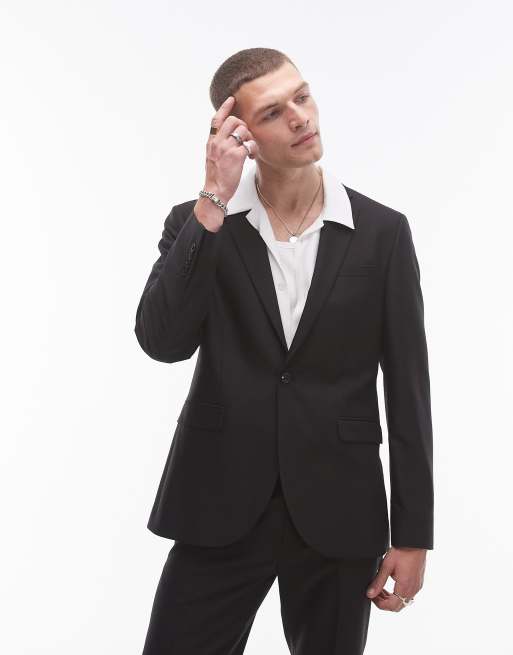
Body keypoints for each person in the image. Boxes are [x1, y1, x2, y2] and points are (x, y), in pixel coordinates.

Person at [134, 47, 434, 655]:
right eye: (273, 112)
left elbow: (409, 391)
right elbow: (162, 342)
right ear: (236, 134)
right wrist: (213, 198)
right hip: (219, 501)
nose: (300, 117)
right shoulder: (200, 223)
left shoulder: (382, 233)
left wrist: (413, 534)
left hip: (339, 507)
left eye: (302, 96)